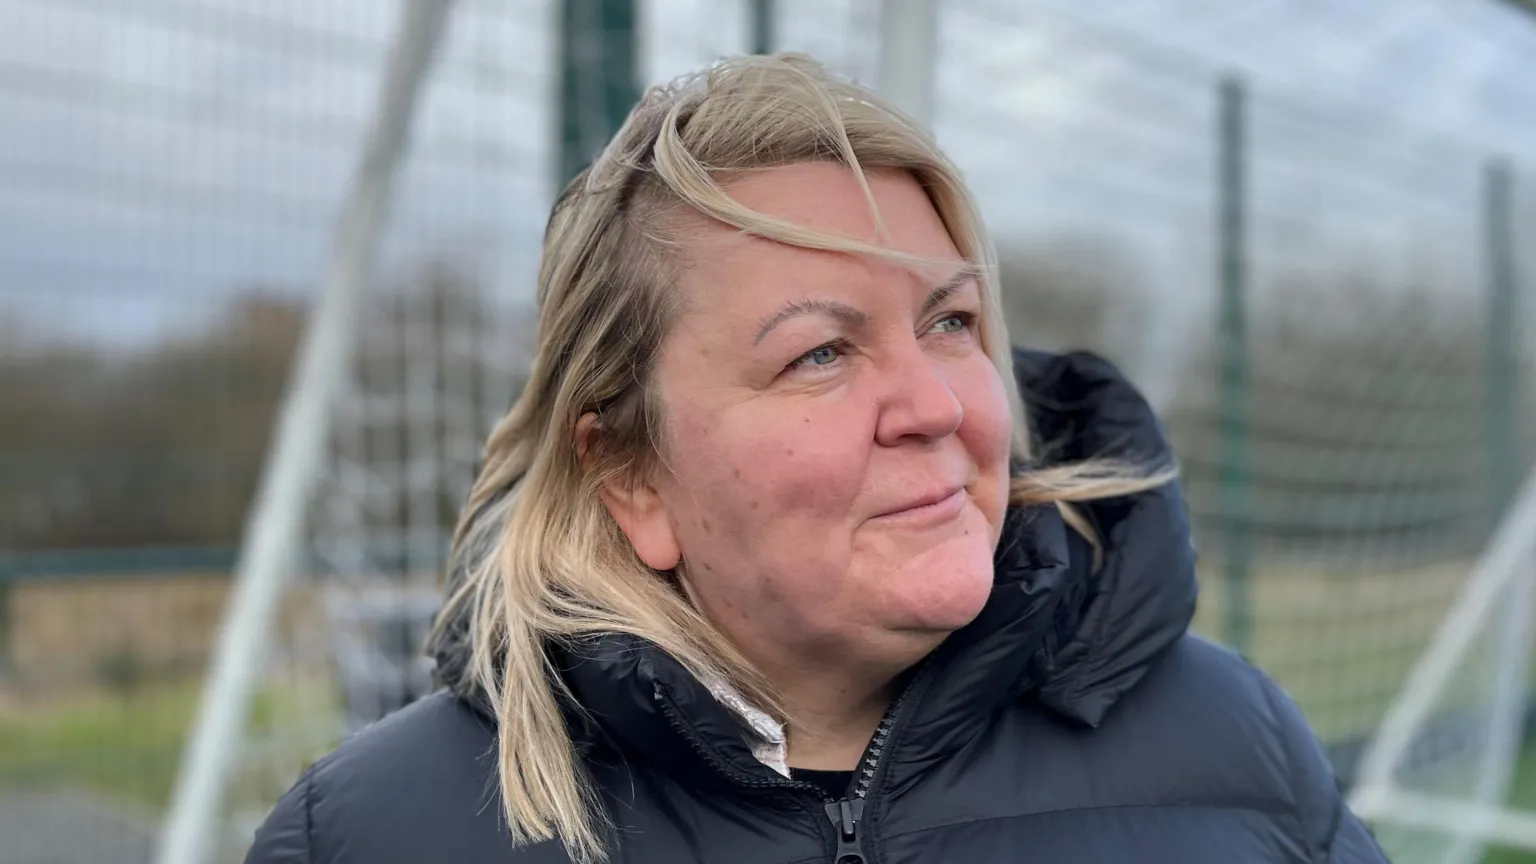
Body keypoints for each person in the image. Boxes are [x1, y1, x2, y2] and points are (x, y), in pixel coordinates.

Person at [245, 53, 1389, 864]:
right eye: (821, 353)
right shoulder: (364, 833)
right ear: (631, 476)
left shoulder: (1235, 740)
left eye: (951, 322)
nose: (934, 404)